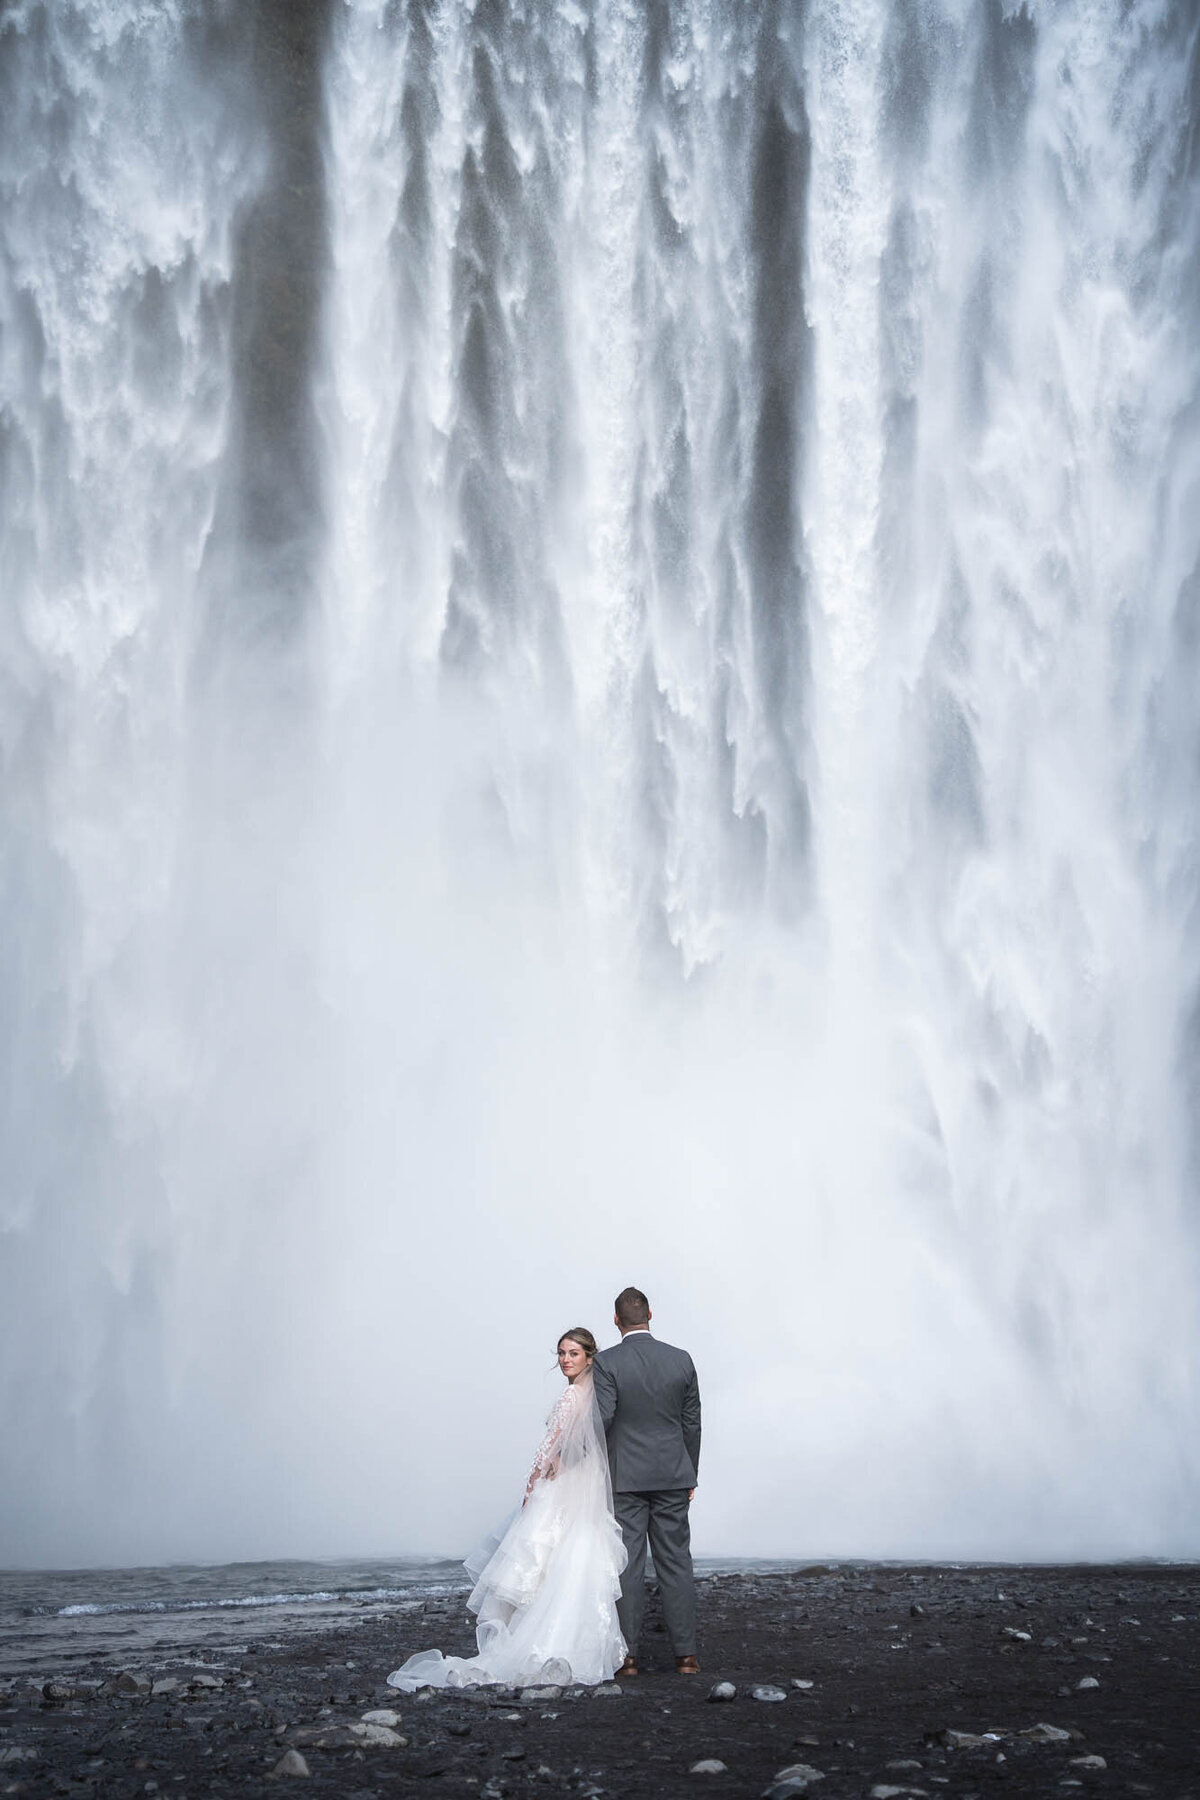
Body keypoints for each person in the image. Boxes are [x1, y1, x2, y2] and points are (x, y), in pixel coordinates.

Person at [386, 1328, 627, 1690]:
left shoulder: (570, 1396)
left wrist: (532, 1484)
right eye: (561, 1353)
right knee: (570, 1560)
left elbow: (548, 1446)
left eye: (573, 1353)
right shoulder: (598, 1398)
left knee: (542, 1560)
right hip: (583, 1490)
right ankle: (577, 1645)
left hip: (561, 1489)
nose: (565, 1360)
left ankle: (533, 1642)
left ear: (590, 1358)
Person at [591, 1287, 701, 1675]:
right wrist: (692, 1472)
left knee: (629, 1565)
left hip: (626, 1479)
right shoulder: (681, 1360)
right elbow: (692, 1423)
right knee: (676, 1563)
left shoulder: (607, 1363)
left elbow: (603, 1418)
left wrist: (583, 1460)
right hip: (673, 1473)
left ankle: (628, 1657)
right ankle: (686, 1656)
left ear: (616, 1320)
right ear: (650, 1314)